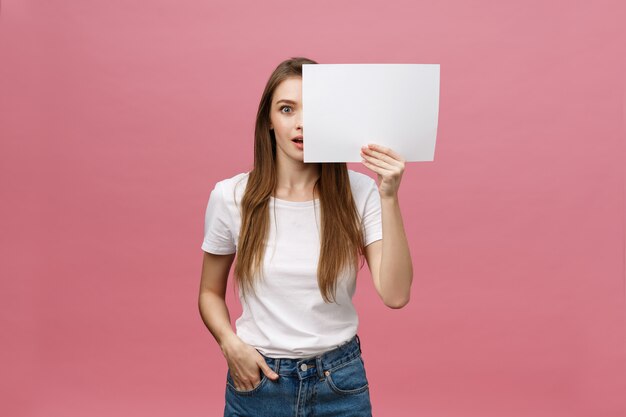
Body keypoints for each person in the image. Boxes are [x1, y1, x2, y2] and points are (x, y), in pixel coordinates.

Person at [198, 57, 413, 417]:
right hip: (259, 384)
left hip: (339, 383)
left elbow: (396, 294)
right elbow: (208, 292)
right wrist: (229, 344)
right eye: (286, 109)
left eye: (314, 111)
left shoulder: (360, 193)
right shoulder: (231, 196)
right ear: (268, 119)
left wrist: (389, 195)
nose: (301, 124)